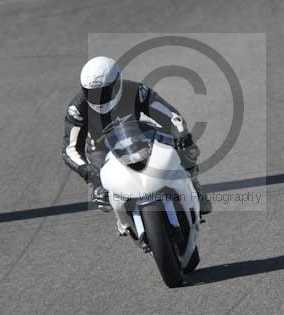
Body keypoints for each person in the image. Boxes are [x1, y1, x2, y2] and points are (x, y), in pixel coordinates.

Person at [62, 56, 212, 215]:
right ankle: (123, 220)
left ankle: (193, 185)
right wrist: (89, 172)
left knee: (188, 148)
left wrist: (180, 135)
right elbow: (70, 148)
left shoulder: (137, 91)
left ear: (117, 83)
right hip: (101, 149)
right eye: (91, 94)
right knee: (102, 195)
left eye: (104, 92)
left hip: (140, 137)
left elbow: (170, 115)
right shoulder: (77, 109)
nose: (99, 99)